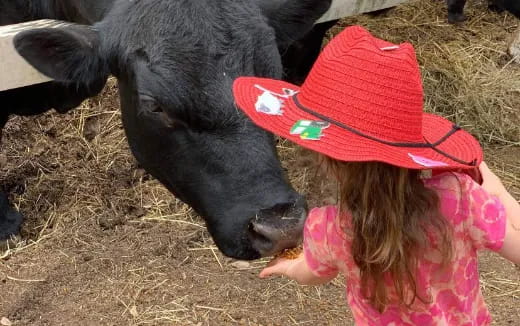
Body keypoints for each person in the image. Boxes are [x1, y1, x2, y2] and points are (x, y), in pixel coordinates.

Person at [231, 26, 520, 325]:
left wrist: (289, 267)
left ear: (329, 159)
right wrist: (494, 187)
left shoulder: (333, 228)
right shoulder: (460, 197)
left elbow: (310, 274)